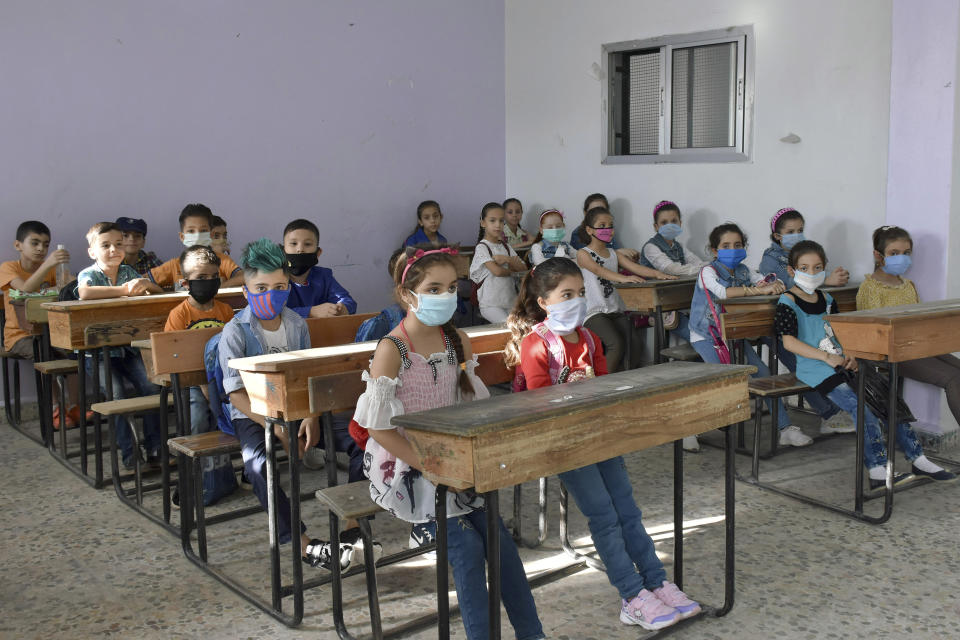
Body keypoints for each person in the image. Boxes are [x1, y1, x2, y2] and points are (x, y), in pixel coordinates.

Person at [353, 246, 544, 640]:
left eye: (451, 287)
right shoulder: (393, 349)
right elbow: (379, 430)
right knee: (468, 551)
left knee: (501, 545)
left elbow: (469, 406)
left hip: (453, 459)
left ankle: (533, 634)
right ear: (408, 295)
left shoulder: (457, 340)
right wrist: (431, 466)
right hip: (406, 465)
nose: (445, 296)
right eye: (433, 288)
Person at [505, 257, 700, 631]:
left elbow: (605, 386)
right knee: (605, 518)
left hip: (601, 437)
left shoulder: (590, 337)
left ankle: (657, 581)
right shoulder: (536, 344)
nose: (576, 300)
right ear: (544, 301)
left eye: (580, 293)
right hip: (566, 444)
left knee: (628, 510)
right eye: (566, 294)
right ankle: (632, 595)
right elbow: (537, 402)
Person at [218, 238, 374, 570]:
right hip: (255, 415)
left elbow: (308, 376)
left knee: (366, 438)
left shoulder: (296, 324)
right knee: (259, 466)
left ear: (288, 289)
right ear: (246, 292)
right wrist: (275, 426)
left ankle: (352, 524)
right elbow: (236, 395)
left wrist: (312, 416)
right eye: (260, 287)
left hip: (302, 407)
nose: (269, 294)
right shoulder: (234, 332)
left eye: (278, 286)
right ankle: (301, 544)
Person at [777, 239, 954, 486]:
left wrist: (850, 352)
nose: (812, 273)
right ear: (792, 271)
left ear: (825, 267)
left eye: (818, 267)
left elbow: (840, 332)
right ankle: (877, 471)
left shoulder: (827, 298)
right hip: (815, 367)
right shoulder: (788, 302)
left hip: (844, 362)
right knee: (860, 407)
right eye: (804, 268)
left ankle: (919, 459)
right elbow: (789, 343)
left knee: (889, 399)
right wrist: (828, 357)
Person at [687, 223, 810, 452]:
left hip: (734, 333)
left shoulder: (744, 271)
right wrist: (759, 290)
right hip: (707, 335)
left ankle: (786, 429)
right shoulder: (708, 272)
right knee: (720, 382)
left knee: (762, 374)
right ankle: (689, 429)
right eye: (726, 246)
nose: (733, 249)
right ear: (714, 250)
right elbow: (723, 293)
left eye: (738, 245)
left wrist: (773, 284)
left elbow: (766, 281)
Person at [756, 208, 855, 434]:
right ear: (777, 236)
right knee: (803, 362)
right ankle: (829, 413)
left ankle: (836, 410)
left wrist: (831, 278)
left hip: (805, 325)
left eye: (800, 230)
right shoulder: (770, 260)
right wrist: (826, 281)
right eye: (790, 231)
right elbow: (792, 287)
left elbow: (813, 280)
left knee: (829, 355)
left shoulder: (804, 253)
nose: (797, 234)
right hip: (779, 325)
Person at [857, 225, 960, 439]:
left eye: (906, 253)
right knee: (952, 378)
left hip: (918, 345)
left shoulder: (907, 285)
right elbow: (876, 331)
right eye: (894, 253)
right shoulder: (871, 288)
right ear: (878, 255)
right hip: (891, 350)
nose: (901, 258)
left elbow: (918, 318)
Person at [77, 222, 161, 469]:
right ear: (92, 252)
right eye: (105, 245)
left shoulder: (129, 272)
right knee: (116, 396)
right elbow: (84, 293)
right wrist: (125, 291)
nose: (114, 249)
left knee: (151, 386)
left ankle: (155, 447)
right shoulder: (89, 274)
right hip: (98, 354)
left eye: (118, 244)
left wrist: (147, 286)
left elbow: (154, 292)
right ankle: (130, 454)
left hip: (128, 348)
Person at [0, 221, 83, 427]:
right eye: (35, 243)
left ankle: (74, 406)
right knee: (43, 352)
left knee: (75, 351)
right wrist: (49, 264)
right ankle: (55, 409)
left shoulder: (52, 270)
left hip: (50, 332)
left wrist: (77, 281)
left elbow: (72, 284)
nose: (41, 249)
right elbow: (26, 289)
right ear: (18, 245)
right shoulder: (9, 268)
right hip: (19, 336)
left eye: (46, 245)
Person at [576, 206, 674, 373]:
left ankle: (622, 378)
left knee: (635, 343)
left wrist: (659, 274)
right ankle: (601, 384)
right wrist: (624, 278)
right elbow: (599, 271)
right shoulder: (583, 253)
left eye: (610, 225)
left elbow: (636, 268)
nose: (607, 229)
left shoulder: (614, 254)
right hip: (593, 312)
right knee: (616, 343)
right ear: (589, 229)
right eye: (602, 225)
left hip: (615, 310)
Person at [637, 200, 707, 344]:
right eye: (664, 222)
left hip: (679, 301)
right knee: (699, 338)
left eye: (674, 221)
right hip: (660, 305)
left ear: (680, 223)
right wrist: (707, 268)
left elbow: (697, 262)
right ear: (656, 227)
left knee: (708, 332)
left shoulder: (679, 247)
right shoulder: (651, 247)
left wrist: (707, 267)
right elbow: (672, 269)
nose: (670, 225)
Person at [147, 203, 242, 291]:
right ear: (182, 237)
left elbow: (244, 277)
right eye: (191, 231)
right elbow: (142, 281)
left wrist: (219, 288)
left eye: (203, 230)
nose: (197, 236)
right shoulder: (173, 265)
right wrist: (160, 291)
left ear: (211, 234)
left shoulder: (222, 260)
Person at [282, 218, 357, 318]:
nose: (300, 249)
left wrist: (342, 308)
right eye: (293, 244)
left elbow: (348, 301)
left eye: (307, 244)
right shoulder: (276, 278)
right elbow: (275, 313)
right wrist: (311, 312)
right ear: (283, 251)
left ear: (318, 253)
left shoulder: (324, 276)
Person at [469, 202, 526, 323]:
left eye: (501, 221)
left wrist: (507, 259)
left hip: (510, 300)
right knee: (508, 327)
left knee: (521, 325)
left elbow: (523, 269)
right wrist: (512, 270)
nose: (498, 225)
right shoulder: (482, 247)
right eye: (492, 220)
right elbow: (497, 271)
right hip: (490, 304)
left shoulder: (506, 247)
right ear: (483, 223)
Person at [569, 193, 640, 263]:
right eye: (593, 211)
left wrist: (628, 256)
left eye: (602, 210)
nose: (598, 215)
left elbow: (619, 256)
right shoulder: (577, 233)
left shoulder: (608, 230)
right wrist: (617, 253)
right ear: (585, 213)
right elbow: (591, 260)